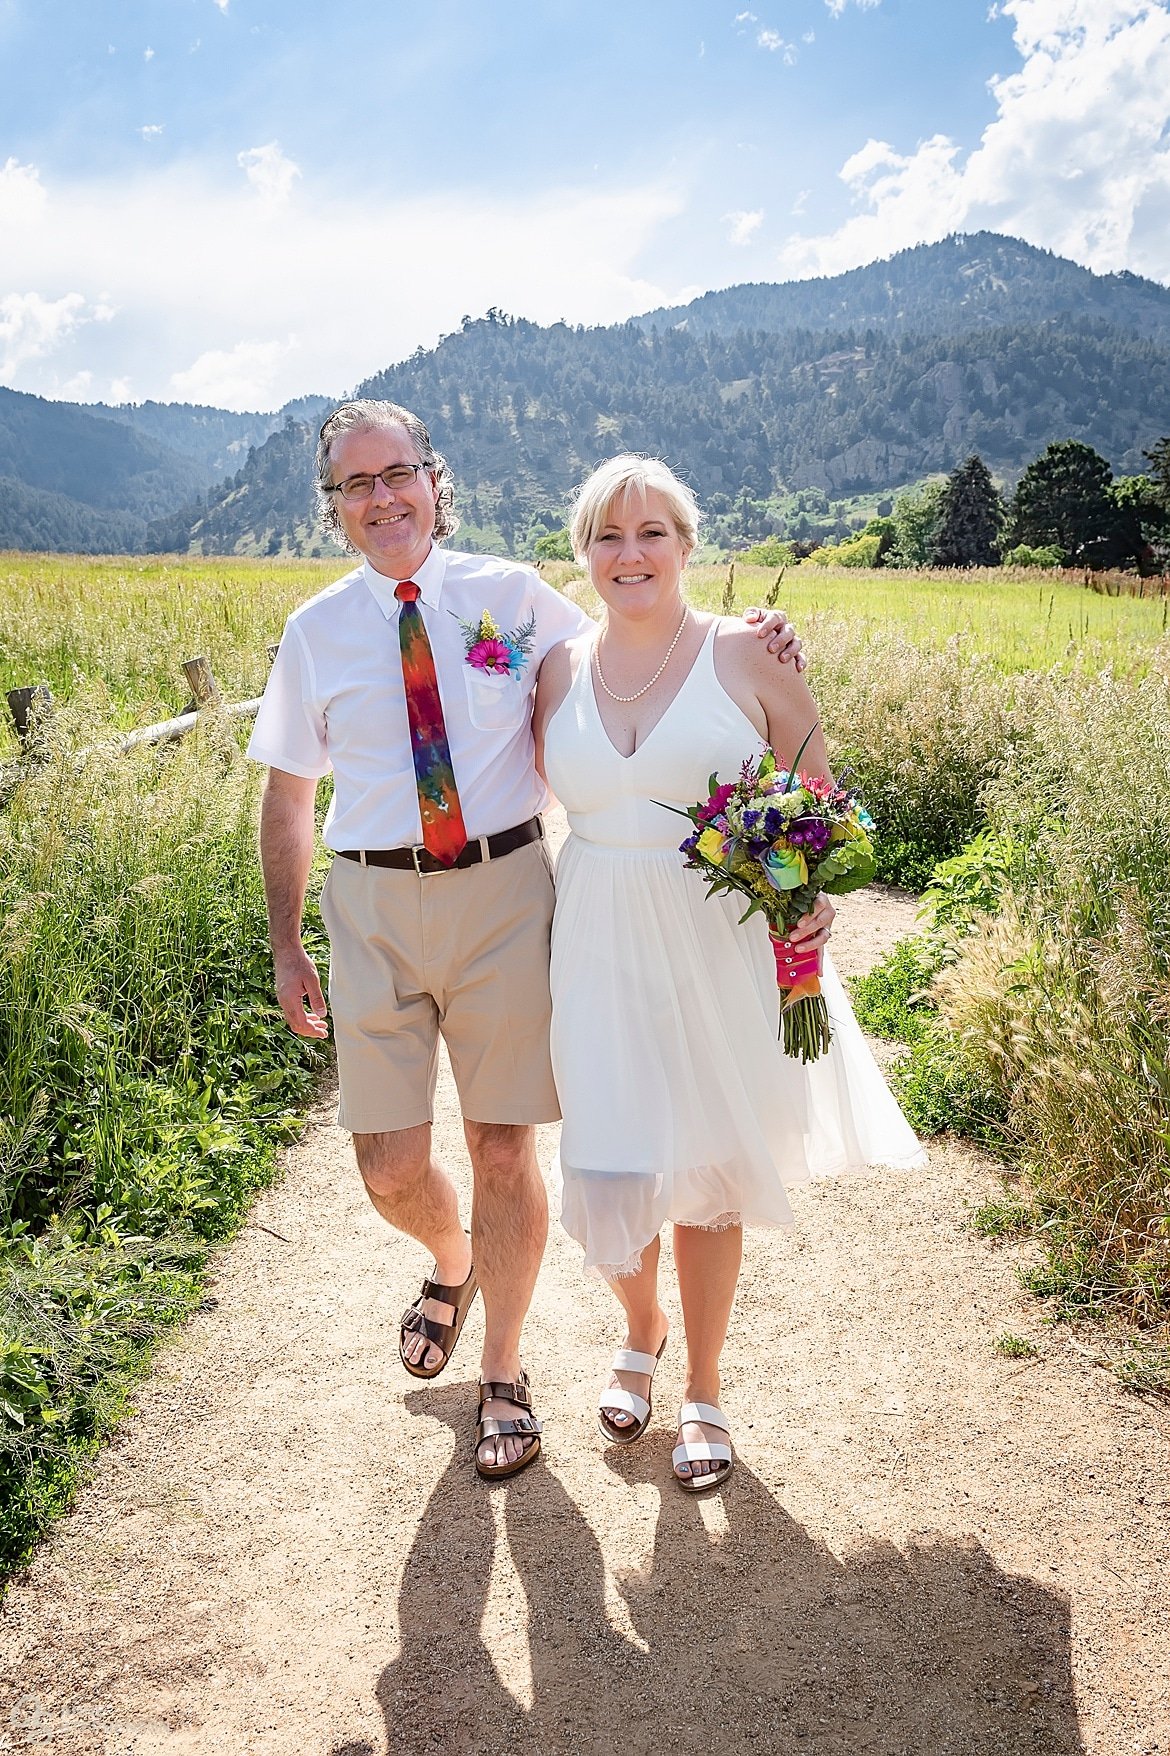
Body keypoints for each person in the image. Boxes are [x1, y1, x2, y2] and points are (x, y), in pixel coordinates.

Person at [246, 401, 805, 1481]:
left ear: (432, 480)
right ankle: (450, 1258)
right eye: (355, 485)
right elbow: (286, 796)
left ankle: (504, 1369)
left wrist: (762, 642)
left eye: (397, 472)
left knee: (507, 1143)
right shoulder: (315, 631)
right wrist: (284, 941)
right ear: (335, 509)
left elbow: (636, 629)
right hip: (370, 902)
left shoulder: (510, 601)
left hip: (507, 888)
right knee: (387, 1164)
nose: (382, 497)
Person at [533, 455, 926, 1492]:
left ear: (686, 544)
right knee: (612, 1165)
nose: (630, 554)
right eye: (608, 536)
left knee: (706, 1173)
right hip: (596, 940)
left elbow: (822, 800)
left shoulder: (746, 654)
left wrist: (815, 891)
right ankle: (642, 1323)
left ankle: (703, 1388)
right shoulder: (556, 670)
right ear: (583, 552)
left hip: (713, 939)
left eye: (652, 532)